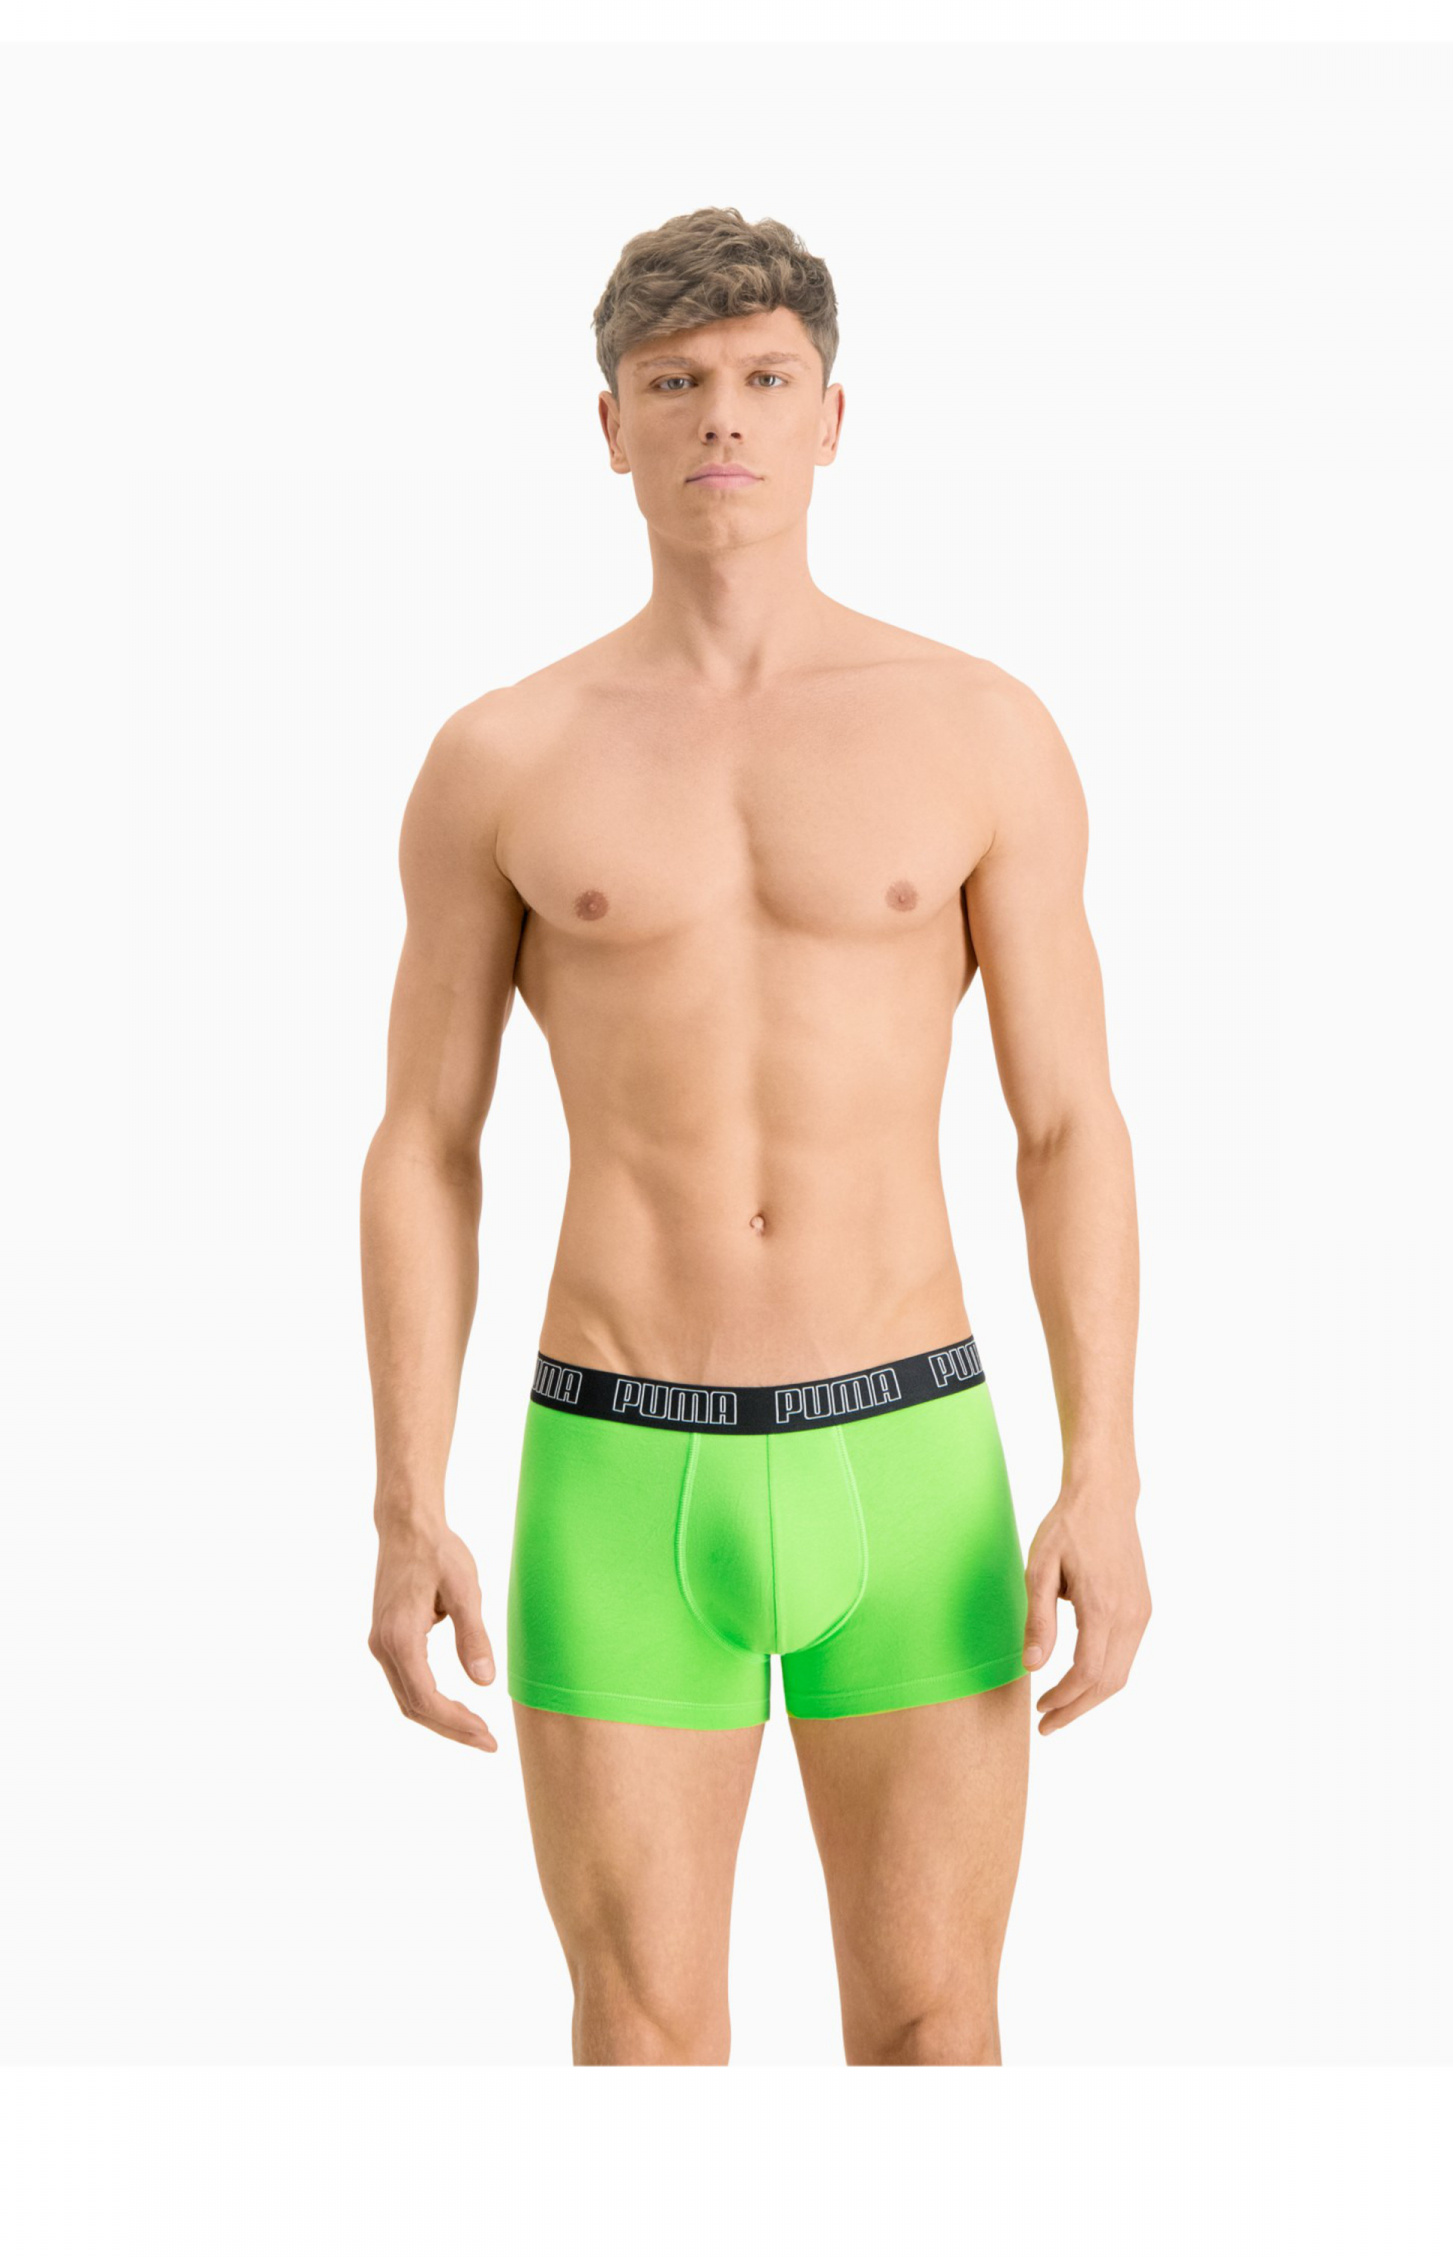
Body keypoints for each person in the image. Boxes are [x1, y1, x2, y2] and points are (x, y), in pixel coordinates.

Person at [360, 206, 1149, 2065]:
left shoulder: (976, 729)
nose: (721, 415)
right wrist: (405, 1503)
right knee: (640, 2047)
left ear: (829, 417)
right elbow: (423, 1143)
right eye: (675, 383)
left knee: (935, 2035)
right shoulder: (505, 754)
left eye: (763, 379)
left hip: (911, 1449)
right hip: (618, 1461)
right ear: (611, 426)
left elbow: (1065, 1123)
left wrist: (1103, 1473)